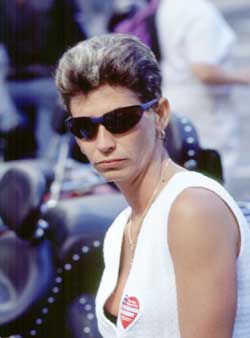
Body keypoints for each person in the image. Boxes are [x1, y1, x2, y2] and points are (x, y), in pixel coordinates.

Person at [55, 33, 250, 338]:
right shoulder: (121, 228)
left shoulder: (191, 209)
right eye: (85, 128)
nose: (103, 143)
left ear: (159, 115)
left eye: (121, 120)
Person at [156, 0, 250, 185]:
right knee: (211, 175)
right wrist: (243, 77)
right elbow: (204, 70)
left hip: (178, 96)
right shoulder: (199, 13)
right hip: (204, 107)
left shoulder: (171, 5)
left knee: (185, 175)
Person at [0, 0, 86, 158]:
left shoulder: (59, 5)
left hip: (48, 82)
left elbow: (77, 43)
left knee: (57, 99)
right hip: (9, 85)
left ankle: (49, 163)